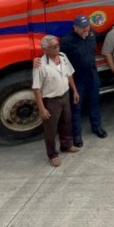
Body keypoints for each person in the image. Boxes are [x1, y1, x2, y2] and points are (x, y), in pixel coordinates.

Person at [56, 14, 107, 146]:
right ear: (75, 28)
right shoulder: (67, 41)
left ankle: (97, 128)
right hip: (77, 79)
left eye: (87, 26)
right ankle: (77, 135)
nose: (86, 29)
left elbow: (101, 36)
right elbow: (58, 58)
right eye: (83, 27)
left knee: (94, 103)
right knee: (76, 108)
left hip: (92, 75)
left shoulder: (91, 34)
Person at [32, 35, 80, 167]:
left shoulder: (63, 57)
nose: (58, 48)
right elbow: (37, 90)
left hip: (65, 96)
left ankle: (67, 145)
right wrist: (42, 109)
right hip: (51, 100)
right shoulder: (40, 65)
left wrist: (74, 90)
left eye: (58, 45)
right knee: (51, 129)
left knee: (66, 122)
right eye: (54, 46)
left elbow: (69, 74)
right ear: (45, 49)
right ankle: (52, 155)